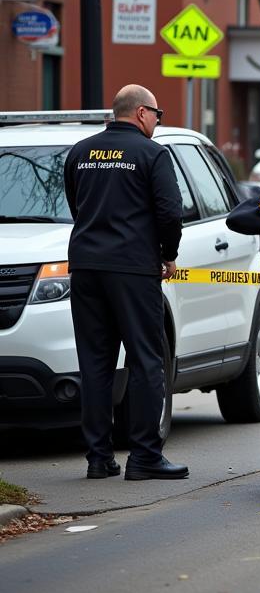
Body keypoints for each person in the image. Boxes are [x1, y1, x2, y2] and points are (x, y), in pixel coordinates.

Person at [63, 84, 189, 481]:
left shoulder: (81, 152)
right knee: (146, 361)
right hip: (133, 270)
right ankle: (145, 456)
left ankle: (99, 458)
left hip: (85, 268)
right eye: (157, 114)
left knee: (95, 363)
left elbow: (75, 203)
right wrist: (168, 254)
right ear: (140, 114)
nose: (157, 121)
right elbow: (170, 212)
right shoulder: (152, 154)